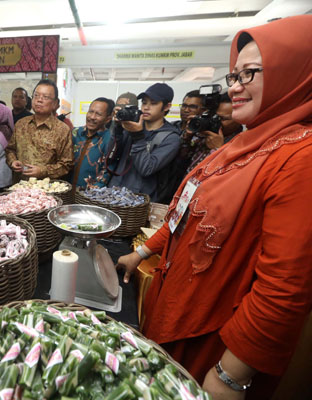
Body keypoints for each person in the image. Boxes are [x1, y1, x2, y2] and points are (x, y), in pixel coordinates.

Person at [116, 15, 312, 399]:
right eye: (233, 77)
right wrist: (140, 252)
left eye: (249, 74)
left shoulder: (299, 157)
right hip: (174, 308)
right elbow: (183, 216)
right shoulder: (240, 145)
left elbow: (284, 287)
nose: (235, 88)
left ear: (295, 74)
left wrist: (229, 375)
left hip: (214, 342)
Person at [107, 83, 181, 202]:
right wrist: (118, 129)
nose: (146, 107)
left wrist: (137, 136)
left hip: (138, 201)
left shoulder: (171, 138)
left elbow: (146, 169)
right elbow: (111, 156)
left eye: (153, 103)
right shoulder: (133, 124)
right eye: (144, 102)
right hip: (113, 193)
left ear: (167, 106)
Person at [5, 79, 73, 181]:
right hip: (19, 188)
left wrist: (43, 171)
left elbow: (66, 164)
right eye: (36, 95)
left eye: (45, 97)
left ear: (55, 103)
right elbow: (10, 149)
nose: (39, 100)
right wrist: (13, 161)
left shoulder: (62, 130)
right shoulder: (21, 124)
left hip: (47, 190)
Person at [71, 97, 114, 189]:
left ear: (108, 119)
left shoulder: (110, 140)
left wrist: (94, 189)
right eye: (91, 112)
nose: (92, 117)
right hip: (65, 189)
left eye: (98, 114)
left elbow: (107, 169)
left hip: (88, 195)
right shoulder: (75, 132)